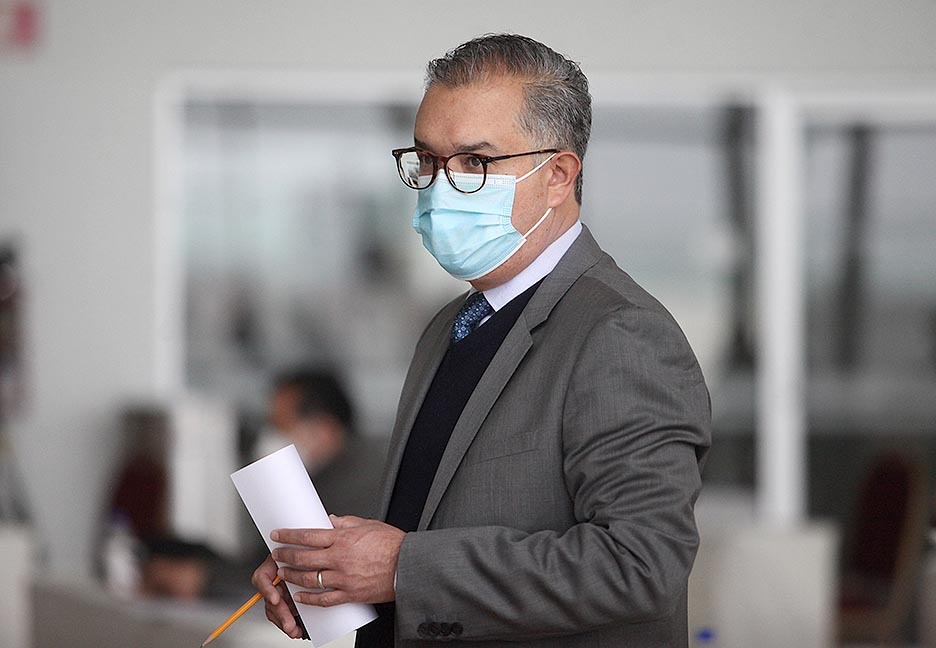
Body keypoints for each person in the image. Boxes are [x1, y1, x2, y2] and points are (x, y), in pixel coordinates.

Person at [253, 33, 711, 647]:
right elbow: (429, 523)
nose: (442, 186)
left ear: (558, 176)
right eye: (428, 160)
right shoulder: (451, 325)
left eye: (475, 162)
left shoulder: (620, 333)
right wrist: (330, 574)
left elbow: (640, 565)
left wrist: (400, 568)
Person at [252, 368, 387, 520]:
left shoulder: (368, 488)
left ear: (325, 428)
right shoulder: (318, 479)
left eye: (282, 426)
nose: (272, 437)